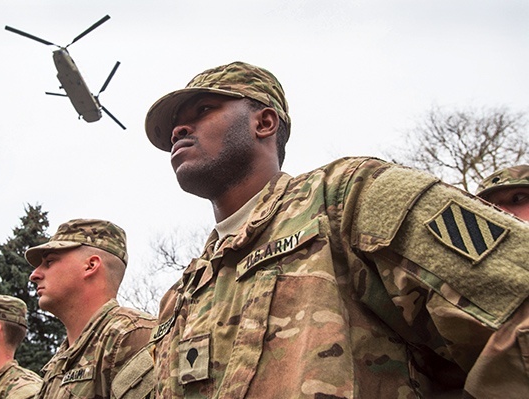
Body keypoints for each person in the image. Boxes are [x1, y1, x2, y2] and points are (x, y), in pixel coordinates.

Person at [144, 61, 529, 398]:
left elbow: (516, 303)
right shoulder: (180, 297)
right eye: (176, 124)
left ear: (264, 122)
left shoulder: (348, 197)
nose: (179, 129)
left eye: (204, 109)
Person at [25, 218, 156, 399]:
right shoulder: (57, 364)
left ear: (91, 266)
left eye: (49, 262)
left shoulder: (129, 336)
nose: (34, 275)